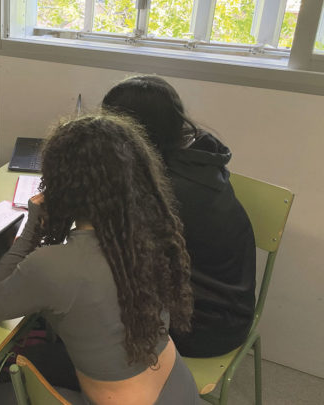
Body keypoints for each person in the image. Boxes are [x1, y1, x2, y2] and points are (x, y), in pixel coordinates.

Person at [0, 114, 200, 404]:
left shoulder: (52, 265)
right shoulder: (152, 233)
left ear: (61, 187)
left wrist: (33, 228)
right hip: (180, 390)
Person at [102, 75, 256, 358]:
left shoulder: (167, 190)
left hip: (202, 327)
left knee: (85, 299)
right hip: (228, 310)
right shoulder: (198, 158)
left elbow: (114, 253)